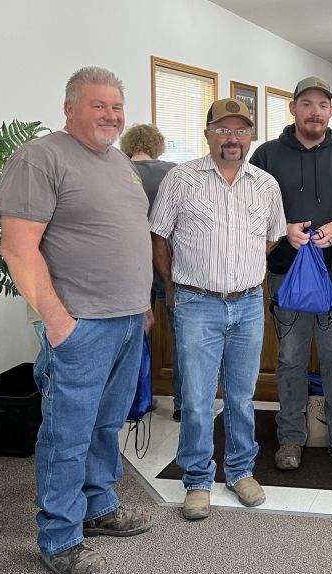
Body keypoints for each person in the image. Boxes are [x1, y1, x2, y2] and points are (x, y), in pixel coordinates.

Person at [0, 66, 153, 574]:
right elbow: (17, 248)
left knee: (106, 424)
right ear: (69, 108)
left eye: (117, 106)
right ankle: (59, 537)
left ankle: (97, 506)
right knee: (67, 434)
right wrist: (57, 321)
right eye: (98, 105)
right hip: (80, 324)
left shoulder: (119, 162)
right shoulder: (40, 158)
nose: (111, 115)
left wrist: (140, 305)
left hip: (126, 319)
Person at [150, 98, 286, 519]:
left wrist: (241, 267)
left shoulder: (266, 184)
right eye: (223, 129)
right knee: (196, 399)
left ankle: (241, 471)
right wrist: (171, 287)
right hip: (196, 303)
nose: (232, 138)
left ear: (251, 136)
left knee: (242, 397)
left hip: (247, 304)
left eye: (240, 130)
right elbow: (159, 236)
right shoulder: (181, 178)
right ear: (207, 133)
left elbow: (272, 237)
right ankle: (197, 480)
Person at [249, 76, 332, 472]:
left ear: (330, 111)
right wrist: (282, 229)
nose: (315, 112)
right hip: (286, 273)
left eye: (322, 105)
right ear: (293, 108)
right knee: (290, 356)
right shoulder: (266, 156)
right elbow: (249, 210)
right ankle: (291, 438)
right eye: (306, 103)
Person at [120, 123, 181, 420]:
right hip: (170, 262)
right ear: (157, 145)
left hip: (130, 265)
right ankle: (183, 404)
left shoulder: (117, 171)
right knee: (182, 335)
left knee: (133, 334)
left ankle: (136, 403)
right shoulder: (174, 172)